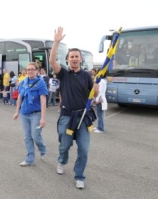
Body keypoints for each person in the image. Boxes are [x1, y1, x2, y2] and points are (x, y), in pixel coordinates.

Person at [49, 26, 99, 189]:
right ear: (68, 59)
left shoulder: (86, 76)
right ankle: (61, 161)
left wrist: (96, 93)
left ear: (80, 59)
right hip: (66, 116)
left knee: (83, 149)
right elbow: (51, 61)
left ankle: (79, 176)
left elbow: (93, 97)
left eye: (77, 56)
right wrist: (56, 42)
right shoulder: (63, 73)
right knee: (65, 146)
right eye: (72, 56)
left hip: (84, 118)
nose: (75, 59)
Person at [13, 62, 48, 167]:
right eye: (28, 69)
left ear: (36, 70)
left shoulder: (41, 83)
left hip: (36, 114)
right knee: (27, 137)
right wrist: (17, 112)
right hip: (24, 114)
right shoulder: (23, 82)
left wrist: (43, 118)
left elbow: (43, 102)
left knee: (35, 136)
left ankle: (43, 149)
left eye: (32, 69)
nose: (30, 71)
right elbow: (20, 97)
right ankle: (30, 159)